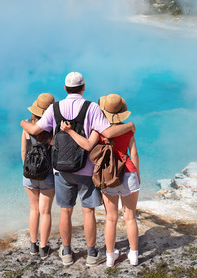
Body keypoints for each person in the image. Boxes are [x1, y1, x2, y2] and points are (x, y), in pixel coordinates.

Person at [20, 72, 134, 267]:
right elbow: (107, 132)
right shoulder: (92, 108)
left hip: (61, 170)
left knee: (65, 211)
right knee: (88, 211)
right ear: (83, 88)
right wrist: (130, 126)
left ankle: (66, 252)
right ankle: (91, 254)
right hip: (87, 169)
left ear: (65, 88)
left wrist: (23, 123)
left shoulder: (54, 108)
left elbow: (34, 131)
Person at [62, 93, 140, 267]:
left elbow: (88, 146)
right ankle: (134, 255)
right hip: (129, 173)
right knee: (130, 218)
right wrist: (138, 175)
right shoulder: (128, 129)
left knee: (111, 218)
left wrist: (69, 132)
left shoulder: (98, 130)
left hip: (108, 176)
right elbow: (133, 153)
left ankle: (111, 257)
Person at [20, 93, 56, 259]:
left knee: (34, 209)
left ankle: (32, 245)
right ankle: (43, 248)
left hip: (29, 174)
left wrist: (29, 168)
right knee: (45, 212)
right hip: (47, 176)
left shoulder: (27, 127)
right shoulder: (51, 129)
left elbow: (23, 152)